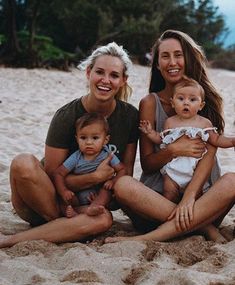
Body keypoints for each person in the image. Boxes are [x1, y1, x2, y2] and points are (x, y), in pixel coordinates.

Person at [0, 41, 139, 248]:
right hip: (43, 202)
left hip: (86, 207)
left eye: (114, 75)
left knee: (104, 219)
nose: (105, 80)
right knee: (22, 162)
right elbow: (49, 179)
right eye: (99, 72)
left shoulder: (129, 117)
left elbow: (124, 173)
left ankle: (16, 239)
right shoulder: (66, 116)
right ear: (88, 73)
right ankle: (60, 224)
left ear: (123, 80)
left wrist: (102, 193)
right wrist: (94, 177)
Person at [105, 29, 235, 244]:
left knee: (232, 180)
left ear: (188, 58)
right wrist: (174, 150)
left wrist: (190, 197)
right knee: (123, 185)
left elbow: (208, 157)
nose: (172, 61)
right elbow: (147, 165)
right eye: (165, 56)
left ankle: (153, 237)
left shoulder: (205, 101)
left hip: (202, 201)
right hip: (158, 203)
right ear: (157, 64)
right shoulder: (150, 103)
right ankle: (202, 227)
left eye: (178, 54)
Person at [139, 76, 235, 201]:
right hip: (173, 170)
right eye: (181, 98)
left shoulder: (204, 123)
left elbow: (216, 140)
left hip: (195, 170)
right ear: (173, 103)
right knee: (169, 192)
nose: (186, 102)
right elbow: (161, 140)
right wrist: (150, 132)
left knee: (197, 195)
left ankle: (193, 214)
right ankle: (169, 211)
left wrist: (232, 141)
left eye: (192, 99)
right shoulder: (170, 122)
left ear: (201, 105)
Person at [53, 112, 125, 218]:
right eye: (83, 138)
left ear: (105, 140)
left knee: (106, 191)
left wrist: (113, 181)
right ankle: (74, 211)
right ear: (77, 139)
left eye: (95, 138)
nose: (89, 142)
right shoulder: (76, 157)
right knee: (67, 199)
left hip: (98, 192)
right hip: (79, 192)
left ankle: (94, 207)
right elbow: (58, 173)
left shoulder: (107, 155)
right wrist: (64, 191)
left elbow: (122, 169)